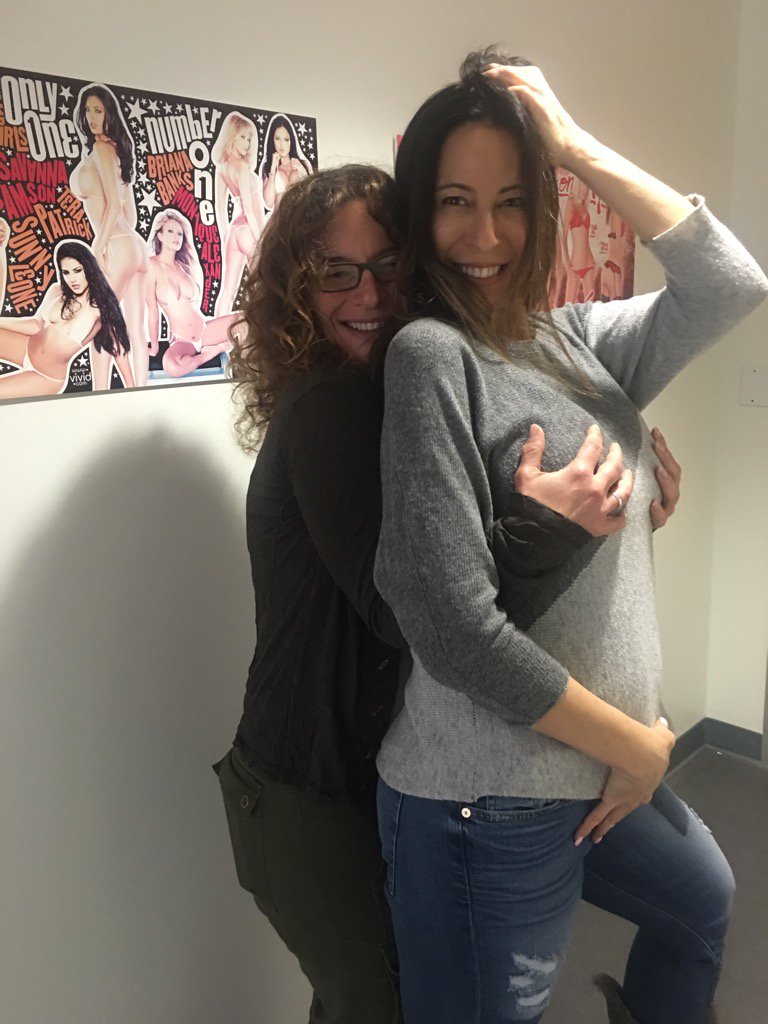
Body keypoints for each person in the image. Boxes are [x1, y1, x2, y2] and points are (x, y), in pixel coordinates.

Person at [212, 162, 684, 1024]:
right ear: (297, 289)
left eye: (388, 265)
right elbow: (417, 612)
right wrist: (555, 524)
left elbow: (465, 532)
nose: (368, 293)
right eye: (336, 271)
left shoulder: (394, 396)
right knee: (385, 1006)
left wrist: (628, 489)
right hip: (306, 790)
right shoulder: (328, 409)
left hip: (354, 776)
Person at [373, 52, 768, 1024]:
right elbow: (454, 628)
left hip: (602, 771)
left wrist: (573, 143)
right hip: (490, 795)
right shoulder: (432, 357)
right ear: (420, 211)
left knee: (701, 906)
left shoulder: (571, 338)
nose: (486, 234)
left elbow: (729, 282)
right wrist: (640, 745)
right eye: (456, 202)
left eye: (513, 200)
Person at [71, 83, 147, 386]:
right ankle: (139, 390)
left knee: (100, 324)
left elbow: (114, 204)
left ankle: (100, 392)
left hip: (116, 245)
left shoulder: (103, 148)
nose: (92, 117)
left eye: (98, 110)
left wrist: (97, 247)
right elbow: (129, 213)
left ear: (109, 114)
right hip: (131, 244)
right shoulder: (116, 150)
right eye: (88, 110)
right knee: (133, 329)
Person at [0, 228, 132, 398]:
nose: (72, 279)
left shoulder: (99, 310)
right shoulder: (57, 291)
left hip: (45, 377)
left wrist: (132, 389)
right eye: (66, 272)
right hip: (26, 346)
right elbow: (36, 325)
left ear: (89, 269)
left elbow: (118, 348)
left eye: (77, 271)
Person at [145, 209, 241, 377]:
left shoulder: (185, 266)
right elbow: (153, 312)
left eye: (180, 234)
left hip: (204, 330)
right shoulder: (151, 266)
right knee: (172, 366)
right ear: (159, 235)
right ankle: (212, 352)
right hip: (182, 340)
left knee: (246, 320)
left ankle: (249, 376)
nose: (176, 237)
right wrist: (154, 347)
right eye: (170, 231)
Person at [212, 111, 266, 317]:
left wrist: (227, 235)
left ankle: (216, 334)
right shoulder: (242, 167)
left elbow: (220, 210)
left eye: (249, 138)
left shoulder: (222, 169)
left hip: (234, 231)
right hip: (248, 230)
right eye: (242, 137)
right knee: (263, 286)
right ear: (231, 136)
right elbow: (250, 210)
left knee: (227, 291)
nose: (247, 143)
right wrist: (261, 241)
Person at [260, 113, 312, 212]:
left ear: (291, 141)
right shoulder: (269, 167)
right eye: (277, 139)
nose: (282, 144)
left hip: (300, 218)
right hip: (279, 218)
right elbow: (268, 202)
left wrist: (301, 169)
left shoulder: (303, 164)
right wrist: (273, 169)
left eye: (286, 139)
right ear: (272, 140)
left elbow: (311, 196)